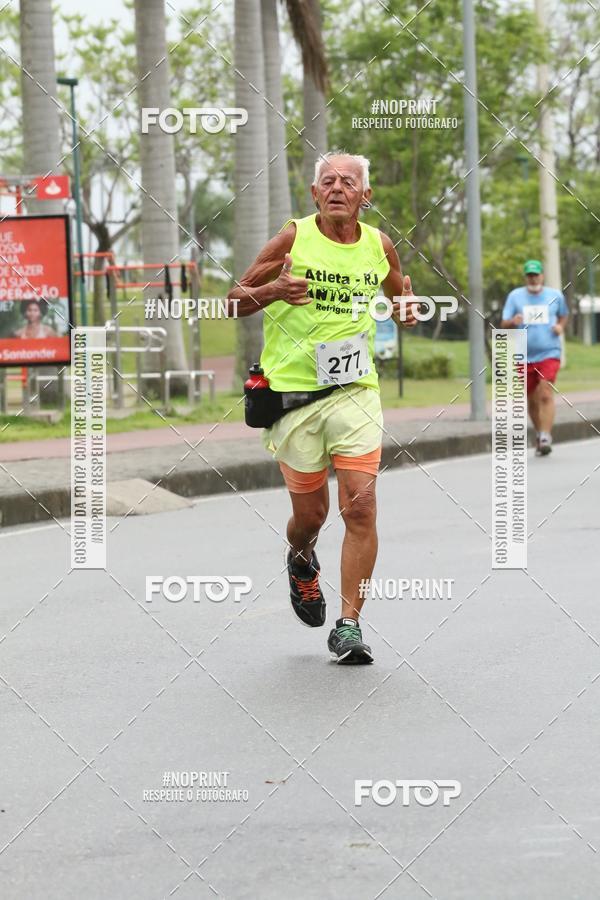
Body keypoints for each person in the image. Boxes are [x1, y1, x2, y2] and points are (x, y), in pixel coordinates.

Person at [227, 151, 418, 664]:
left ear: (365, 196)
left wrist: (406, 309)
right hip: (293, 398)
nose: (337, 188)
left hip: (355, 389)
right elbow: (233, 299)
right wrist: (273, 290)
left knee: (360, 503)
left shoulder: (379, 245)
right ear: (315, 194)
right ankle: (299, 556)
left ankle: (349, 625)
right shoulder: (294, 237)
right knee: (310, 515)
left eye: (348, 182)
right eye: (327, 181)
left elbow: (401, 296)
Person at [501, 260, 568, 456]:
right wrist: (513, 321)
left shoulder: (555, 296)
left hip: (549, 352)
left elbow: (564, 315)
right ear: (525, 277)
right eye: (529, 275)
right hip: (523, 355)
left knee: (545, 392)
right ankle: (540, 434)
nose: (533, 278)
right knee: (531, 400)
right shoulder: (515, 297)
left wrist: (560, 327)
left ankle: (546, 435)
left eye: (536, 275)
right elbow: (503, 323)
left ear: (542, 276)